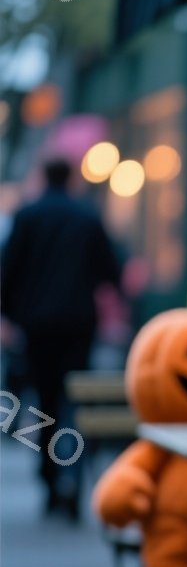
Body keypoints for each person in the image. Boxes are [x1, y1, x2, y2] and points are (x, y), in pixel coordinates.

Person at [1, 158, 122, 517]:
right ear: (71, 178)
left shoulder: (27, 216)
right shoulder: (86, 217)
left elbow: (8, 273)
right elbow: (110, 271)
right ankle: (74, 475)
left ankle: (50, 477)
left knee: (45, 402)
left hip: (37, 326)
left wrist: (9, 317)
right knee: (76, 403)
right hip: (77, 325)